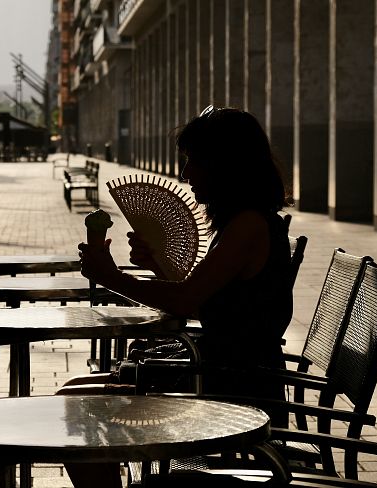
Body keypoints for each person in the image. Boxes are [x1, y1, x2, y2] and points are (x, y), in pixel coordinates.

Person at [61, 107, 293, 488]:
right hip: (219, 373)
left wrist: (111, 278)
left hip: (229, 387)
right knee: (71, 396)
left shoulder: (248, 226)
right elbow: (208, 298)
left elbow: (186, 300)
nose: (185, 174)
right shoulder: (244, 222)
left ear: (225, 166)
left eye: (194, 161)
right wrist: (156, 265)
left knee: (75, 407)